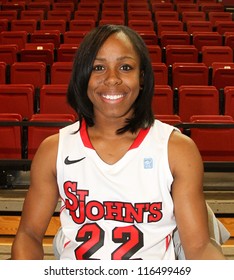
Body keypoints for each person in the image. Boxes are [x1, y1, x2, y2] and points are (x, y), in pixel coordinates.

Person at [11, 24, 227, 260]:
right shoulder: (54, 149)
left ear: (141, 77)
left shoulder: (176, 149)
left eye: (125, 67)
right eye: (98, 67)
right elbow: (29, 235)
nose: (112, 79)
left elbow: (198, 247)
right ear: (83, 76)